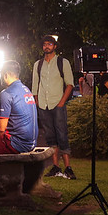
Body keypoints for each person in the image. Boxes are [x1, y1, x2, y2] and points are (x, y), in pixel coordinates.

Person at [32, 35, 76, 180]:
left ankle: (68, 168)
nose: (47, 46)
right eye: (44, 44)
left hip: (58, 103)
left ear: (55, 46)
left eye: (49, 44)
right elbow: (35, 85)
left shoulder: (63, 62)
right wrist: (37, 101)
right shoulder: (38, 64)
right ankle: (56, 167)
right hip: (43, 105)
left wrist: (62, 102)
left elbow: (70, 84)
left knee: (62, 134)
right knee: (50, 137)